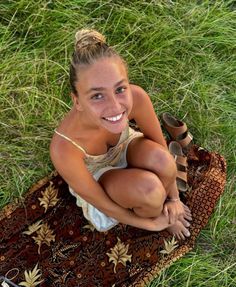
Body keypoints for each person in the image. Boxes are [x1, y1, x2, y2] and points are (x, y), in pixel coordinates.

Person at [50, 29, 192, 239]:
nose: (115, 107)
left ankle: (164, 205)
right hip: (100, 178)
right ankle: (155, 210)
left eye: (119, 89)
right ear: (77, 101)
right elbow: (104, 204)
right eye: (97, 95)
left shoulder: (137, 97)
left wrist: (174, 199)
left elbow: (161, 147)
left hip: (127, 147)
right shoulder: (64, 148)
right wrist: (153, 224)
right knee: (150, 192)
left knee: (163, 160)